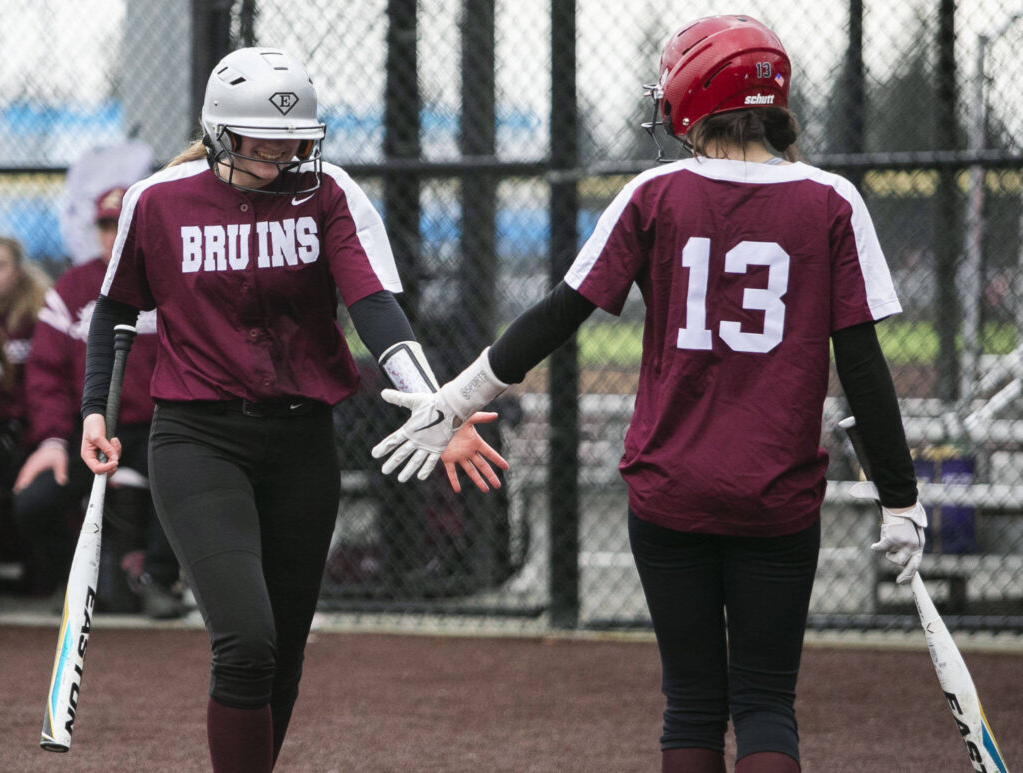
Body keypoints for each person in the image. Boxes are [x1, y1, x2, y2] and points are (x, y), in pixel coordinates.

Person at [371, 15, 925, 773]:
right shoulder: (831, 200)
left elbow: (556, 316)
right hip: (775, 490)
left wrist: (459, 396)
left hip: (669, 487)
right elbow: (863, 367)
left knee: (692, 703)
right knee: (765, 703)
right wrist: (901, 496)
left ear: (693, 95)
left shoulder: (655, 193)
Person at [79, 47, 506, 772]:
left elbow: (375, 308)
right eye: (266, 139)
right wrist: (98, 409)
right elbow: (115, 310)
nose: (286, 151)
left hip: (303, 439)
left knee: (281, 651)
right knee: (245, 640)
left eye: (295, 138)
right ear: (220, 133)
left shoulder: (330, 194)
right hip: (198, 439)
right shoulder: (158, 201)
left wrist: (439, 405)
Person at [13, 187, 183, 618]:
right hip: (86, 430)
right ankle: (72, 581)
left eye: (124, 225)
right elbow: (46, 375)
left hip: (162, 426)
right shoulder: (72, 288)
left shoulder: (176, 281)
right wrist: (51, 440)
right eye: (107, 226)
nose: (114, 236)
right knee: (33, 500)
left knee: (184, 486)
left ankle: (157, 582)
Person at [0, 236, 49, 586]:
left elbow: (48, 380)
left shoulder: (40, 310)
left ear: (17, 270)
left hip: (34, 425)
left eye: (1, 265)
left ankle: (40, 570)